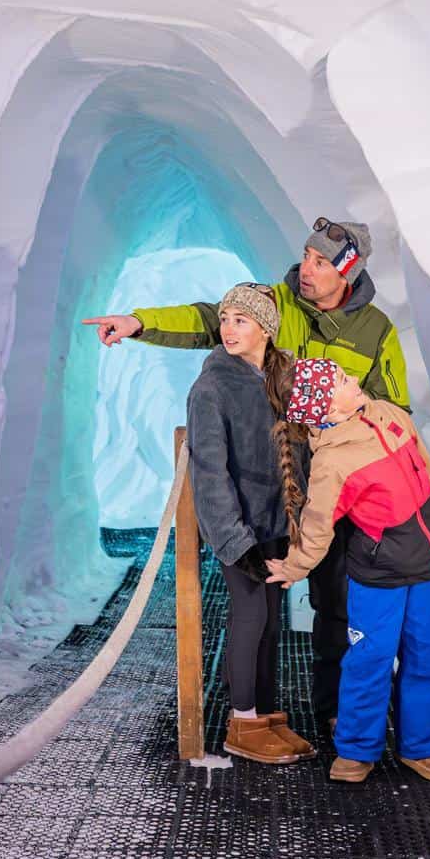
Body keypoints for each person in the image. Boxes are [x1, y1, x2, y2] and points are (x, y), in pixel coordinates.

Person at [84, 217, 409, 726]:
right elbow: (211, 320)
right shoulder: (275, 305)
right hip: (282, 489)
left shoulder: (377, 332)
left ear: (348, 272)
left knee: (338, 601)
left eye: (321, 263)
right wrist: (139, 322)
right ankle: (255, 715)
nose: (306, 269)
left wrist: (354, 422)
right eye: (306, 255)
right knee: (264, 606)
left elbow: (394, 411)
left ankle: (337, 712)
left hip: (340, 486)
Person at [267, 358, 430, 785]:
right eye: (340, 381)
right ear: (327, 408)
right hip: (378, 575)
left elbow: (426, 467)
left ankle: (425, 745)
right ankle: (356, 750)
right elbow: (317, 525)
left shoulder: (388, 414)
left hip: (425, 566)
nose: (352, 380)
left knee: (426, 653)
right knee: (370, 659)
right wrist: (295, 566)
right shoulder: (333, 462)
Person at [185, 284, 315, 765]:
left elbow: (299, 452)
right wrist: (235, 541)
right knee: (250, 617)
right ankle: (241, 721)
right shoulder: (211, 387)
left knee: (272, 621)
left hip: (277, 525)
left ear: (266, 327)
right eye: (225, 318)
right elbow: (209, 473)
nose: (229, 328)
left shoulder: (280, 377)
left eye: (242, 318)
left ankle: (265, 716)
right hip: (240, 532)